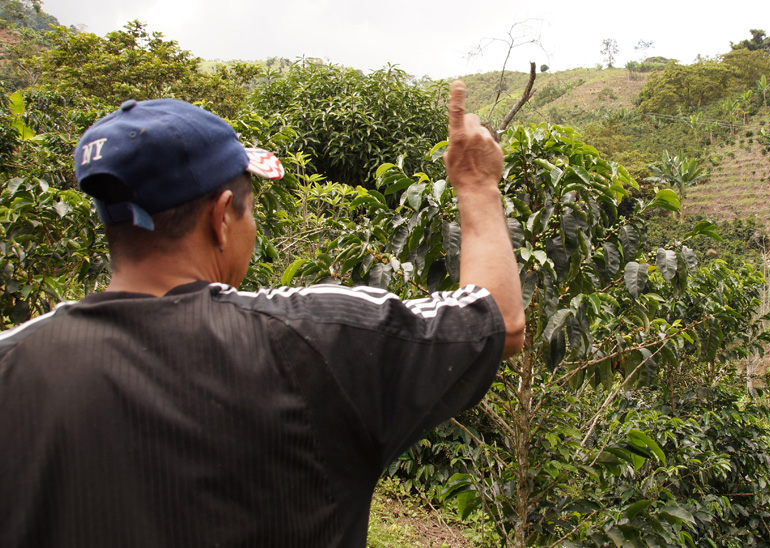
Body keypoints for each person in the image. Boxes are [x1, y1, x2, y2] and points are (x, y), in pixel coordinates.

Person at [0, 82, 524, 547]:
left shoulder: (13, 361)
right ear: (221, 217)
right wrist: (477, 185)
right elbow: (496, 316)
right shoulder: (317, 339)